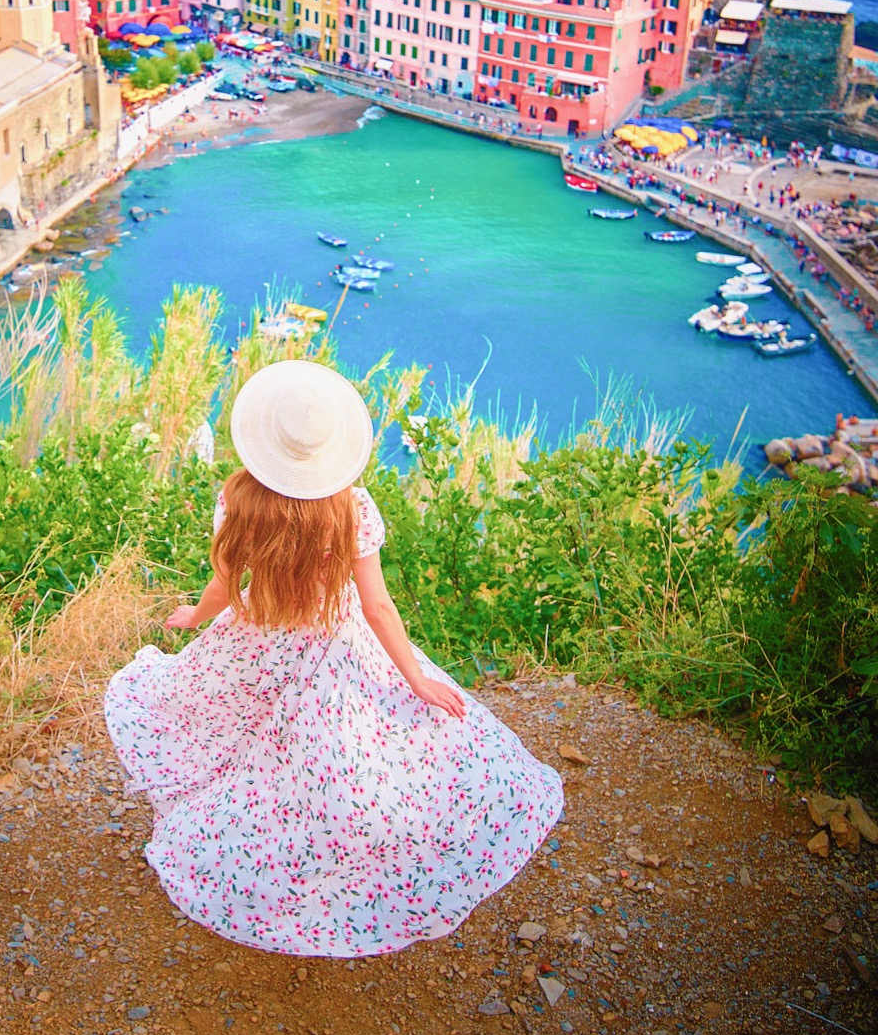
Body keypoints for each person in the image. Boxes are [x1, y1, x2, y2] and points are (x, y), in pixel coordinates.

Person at [104, 360, 563, 958]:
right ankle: (336, 872)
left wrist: (195, 617)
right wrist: (417, 679)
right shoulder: (351, 507)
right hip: (335, 649)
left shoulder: (238, 499)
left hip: (256, 641)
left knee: (238, 743)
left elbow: (223, 583)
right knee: (343, 761)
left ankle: (232, 848)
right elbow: (377, 607)